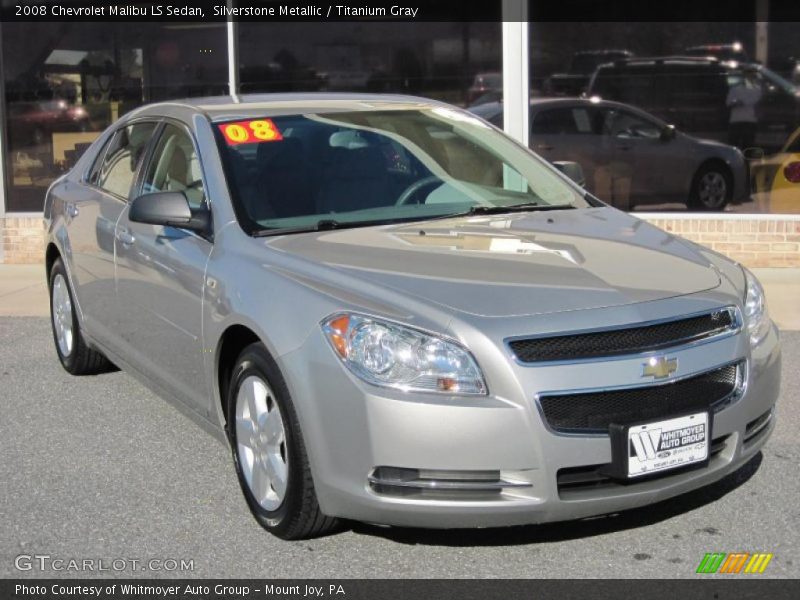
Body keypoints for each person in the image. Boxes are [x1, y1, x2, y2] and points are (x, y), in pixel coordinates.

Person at [726, 71, 762, 149]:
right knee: (733, 144)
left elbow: (759, 105)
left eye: (751, 77)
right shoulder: (735, 89)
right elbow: (728, 103)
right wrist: (736, 103)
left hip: (751, 120)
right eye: (747, 77)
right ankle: (734, 160)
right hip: (736, 120)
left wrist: (758, 116)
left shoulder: (758, 90)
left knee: (748, 144)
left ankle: (747, 160)